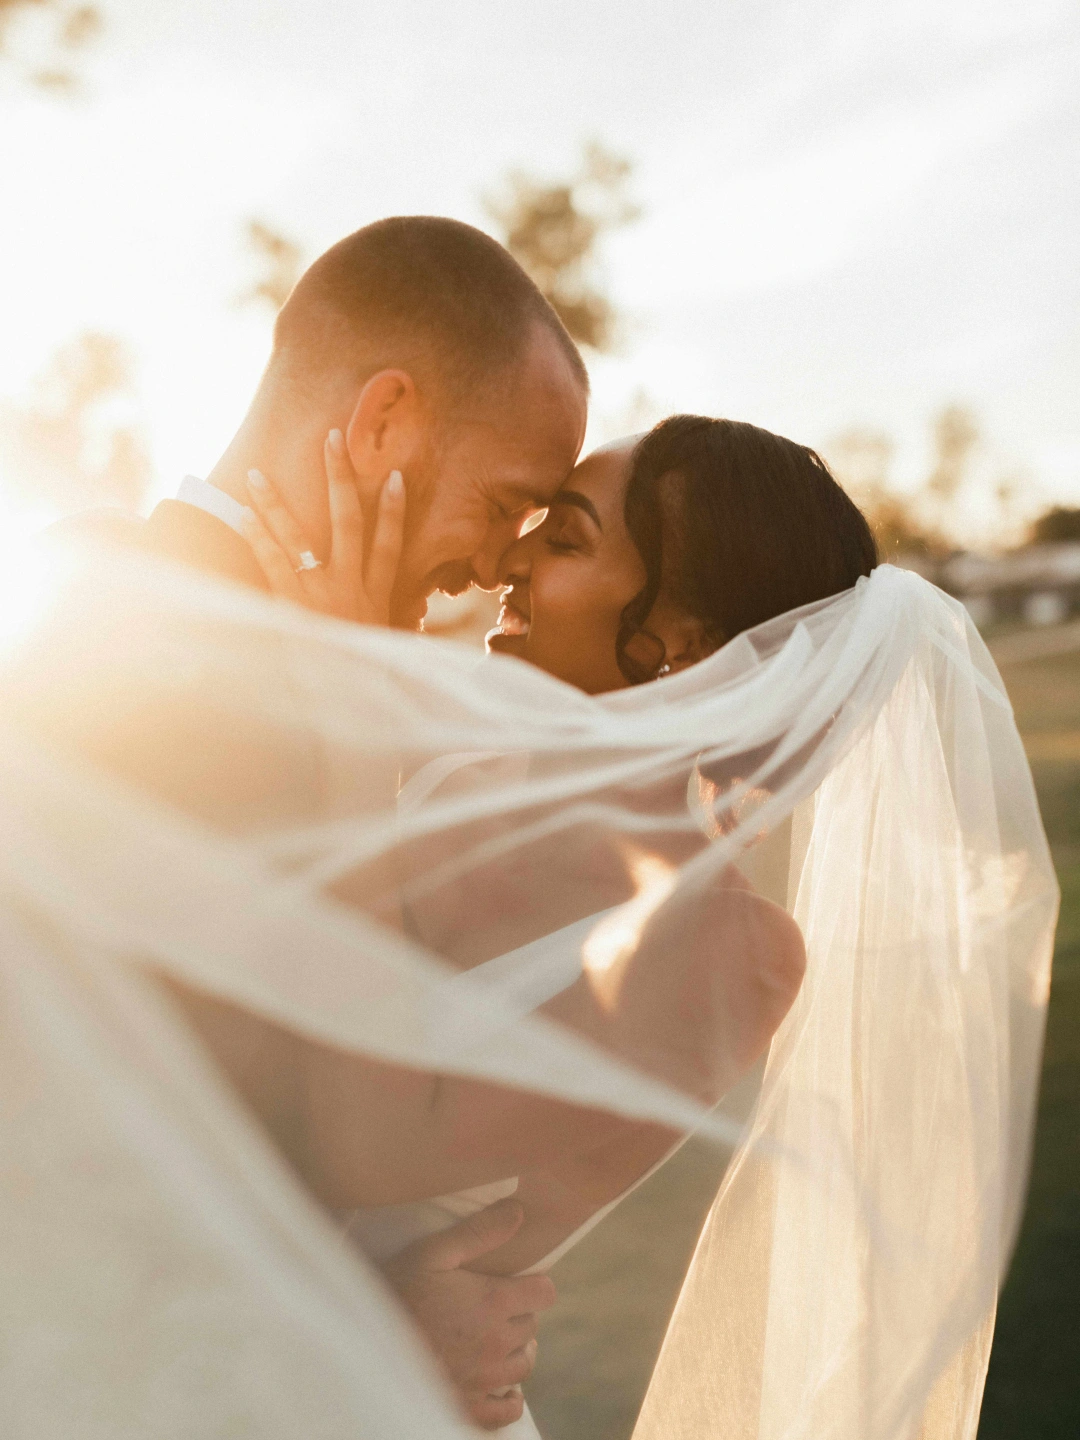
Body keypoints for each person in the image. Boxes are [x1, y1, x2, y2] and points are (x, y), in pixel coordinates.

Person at [31, 222, 808, 1431]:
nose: (499, 567)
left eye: (550, 531)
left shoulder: (130, 608)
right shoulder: (119, 659)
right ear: (384, 422)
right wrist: (364, 1306)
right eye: (514, 508)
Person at [243, 412, 878, 1434]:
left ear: (680, 644)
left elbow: (370, 1147)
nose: (514, 555)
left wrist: (355, 723)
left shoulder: (730, 949)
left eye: (568, 538)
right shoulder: (449, 772)